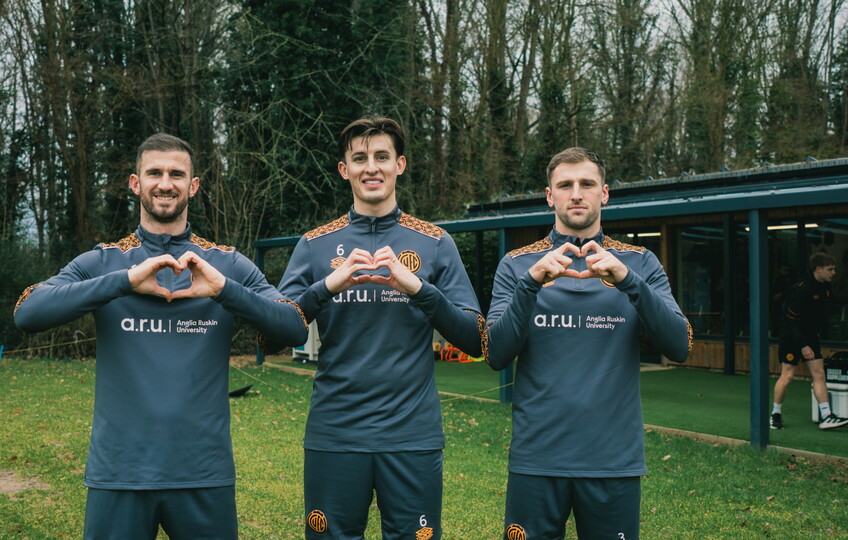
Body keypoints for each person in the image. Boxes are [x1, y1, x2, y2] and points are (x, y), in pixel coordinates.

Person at [14, 133, 308, 539]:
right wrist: (124, 281)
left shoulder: (226, 264)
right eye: (154, 172)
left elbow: (293, 325)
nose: (165, 183)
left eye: (176, 173)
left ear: (193, 185)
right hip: (119, 473)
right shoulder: (105, 261)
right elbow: (27, 312)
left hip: (204, 473)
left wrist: (224, 290)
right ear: (136, 183)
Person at [276, 117, 485, 539]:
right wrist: (327, 285)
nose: (371, 167)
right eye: (360, 158)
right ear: (344, 169)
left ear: (400, 165)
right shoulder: (314, 243)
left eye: (382, 157)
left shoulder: (436, 242)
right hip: (335, 434)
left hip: (412, 435)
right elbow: (277, 330)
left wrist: (418, 289)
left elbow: (476, 338)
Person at [486, 147, 692, 540]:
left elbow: (680, 346)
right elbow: (496, 354)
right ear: (550, 196)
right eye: (565, 185)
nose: (576, 193)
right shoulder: (517, 264)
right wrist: (530, 285)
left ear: (605, 193)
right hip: (537, 460)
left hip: (612, 461)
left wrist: (629, 281)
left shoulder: (640, 261)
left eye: (587, 184)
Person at [771, 252, 848, 430]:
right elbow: (790, 320)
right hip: (792, 337)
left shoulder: (824, 288)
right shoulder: (801, 288)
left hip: (811, 336)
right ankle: (775, 414)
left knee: (819, 374)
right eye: (830, 269)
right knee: (788, 375)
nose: (833, 273)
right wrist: (803, 345)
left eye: (834, 269)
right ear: (818, 269)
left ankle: (826, 416)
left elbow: (835, 302)